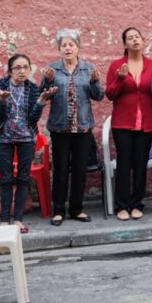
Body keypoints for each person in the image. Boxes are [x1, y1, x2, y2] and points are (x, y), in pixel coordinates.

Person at [42, 29, 103, 226]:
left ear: (78, 47)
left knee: (79, 170)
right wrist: (47, 81)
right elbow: (42, 95)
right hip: (60, 129)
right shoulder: (52, 70)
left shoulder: (88, 69)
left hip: (83, 128)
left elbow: (98, 96)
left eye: (71, 45)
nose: (67, 48)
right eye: (64, 45)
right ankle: (58, 210)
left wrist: (94, 82)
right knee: (59, 170)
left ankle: (77, 209)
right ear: (59, 49)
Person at [0, 54, 53, 233]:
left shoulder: (33, 89)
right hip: (4, 137)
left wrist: (41, 102)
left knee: (23, 178)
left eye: (25, 67)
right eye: (17, 67)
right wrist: (3, 101)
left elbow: (33, 119)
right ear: (10, 71)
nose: (22, 71)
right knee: (6, 178)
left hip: (27, 137)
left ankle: (18, 219)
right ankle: (4, 220)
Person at [106, 27, 152, 221]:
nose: (135, 40)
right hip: (123, 123)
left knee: (140, 164)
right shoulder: (116, 65)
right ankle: (122, 205)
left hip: (147, 122)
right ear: (125, 44)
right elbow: (110, 94)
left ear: (143, 41)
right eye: (130, 38)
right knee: (124, 163)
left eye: (137, 37)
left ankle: (137, 204)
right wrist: (120, 78)